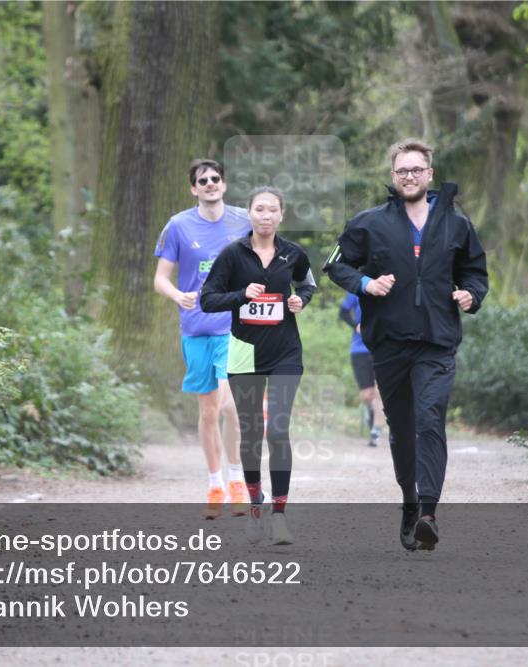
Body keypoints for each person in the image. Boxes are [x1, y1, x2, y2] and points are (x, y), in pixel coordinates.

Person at [324, 138, 488, 552]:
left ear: (430, 174)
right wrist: (365, 283)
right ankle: (410, 504)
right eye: (402, 171)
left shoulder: (456, 222)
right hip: (389, 343)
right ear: (393, 176)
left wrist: (471, 294)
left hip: (436, 341)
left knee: (430, 418)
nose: (410, 176)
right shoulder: (370, 222)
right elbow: (335, 264)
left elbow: (475, 271)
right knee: (402, 431)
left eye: (417, 170)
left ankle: (429, 513)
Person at [200, 187, 316, 545]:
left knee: (277, 431)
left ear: (281, 215)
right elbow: (207, 300)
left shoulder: (293, 253)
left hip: (285, 352)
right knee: (251, 433)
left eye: (273, 210)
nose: (266, 216)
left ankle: (279, 516)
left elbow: (308, 285)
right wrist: (240, 296)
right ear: (249, 214)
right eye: (259, 209)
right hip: (245, 352)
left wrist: (300, 301)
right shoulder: (233, 255)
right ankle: (254, 507)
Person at [154, 159, 252, 519]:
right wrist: (177, 295)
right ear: (194, 188)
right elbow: (161, 278)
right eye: (202, 180)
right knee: (209, 411)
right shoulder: (178, 226)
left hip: (235, 323)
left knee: (232, 405)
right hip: (196, 327)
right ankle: (215, 483)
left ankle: (239, 480)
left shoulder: (244, 221)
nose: (210, 184)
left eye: (216, 179)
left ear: (224, 185)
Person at [338, 292, 384, 447]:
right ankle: (370, 410)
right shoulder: (357, 287)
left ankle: (375, 431)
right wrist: (356, 325)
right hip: (359, 349)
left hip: (383, 347)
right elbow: (343, 312)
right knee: (367, 395)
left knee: (380, 391)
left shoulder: (388, 286)